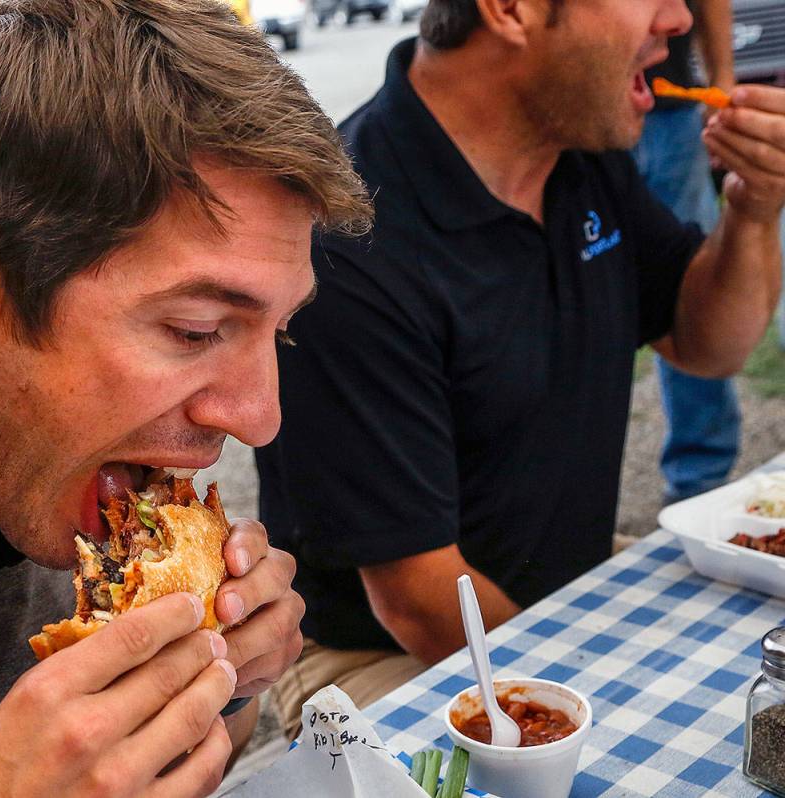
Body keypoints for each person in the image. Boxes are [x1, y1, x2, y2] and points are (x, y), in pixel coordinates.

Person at [0, 0, 372, 794]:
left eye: (278, 333)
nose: (259, 418)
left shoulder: (71, 482)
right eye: (195, 329)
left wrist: (223, 682)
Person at [256, 0, 785, 738]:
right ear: (512, 9)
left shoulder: (579, 152)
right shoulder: (351, 240)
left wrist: (754, 209)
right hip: (385, 651)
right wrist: (603, 708)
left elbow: (707, 345)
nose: (679, 18)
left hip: (566, 588)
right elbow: (415, 595)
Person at [633, 0, 741, 504]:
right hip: (582, 117)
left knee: (693, 293)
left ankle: (701, 481)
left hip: (671, 118)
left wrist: (721, 81)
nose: (677, 19)